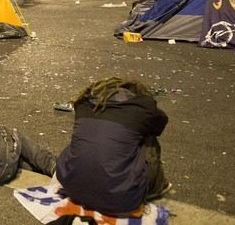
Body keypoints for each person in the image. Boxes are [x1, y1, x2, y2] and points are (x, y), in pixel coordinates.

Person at [55, 77, 171, 216]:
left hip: (71, 187)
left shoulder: (84, 103)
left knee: (88, 138)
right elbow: (160, 126)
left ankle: (89, 180)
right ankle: (157, 186)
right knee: (148, 138)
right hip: (122, 200)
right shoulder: (143, 106)